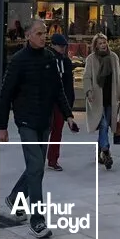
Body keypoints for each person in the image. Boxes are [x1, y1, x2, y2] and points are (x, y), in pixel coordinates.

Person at [0, 19, 78, 239]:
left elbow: (58, 90)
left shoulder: (50, 58)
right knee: (35, 167)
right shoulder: (18, 61)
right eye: (40, 33)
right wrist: (1, 127)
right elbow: (5, 95)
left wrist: (69, 116)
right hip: (26, 122)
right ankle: (37, 220)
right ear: (28, 36)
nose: (44, 37)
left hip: (45, 122)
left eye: (45, 33)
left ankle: (15, 197)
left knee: (36, 167)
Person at [83, 32, 120, 170]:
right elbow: (86, 77)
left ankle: (98, 153)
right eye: (100, 43)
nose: (103, 45)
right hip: (96, 99)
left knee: (105, 127)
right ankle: (106, 152)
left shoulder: (113, 57)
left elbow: (118, 77)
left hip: (110, 98)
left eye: (104, 42)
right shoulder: (91, 59)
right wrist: (88, 91)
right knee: (103, 124)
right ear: (96, 45)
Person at [46, 33, 75, 171]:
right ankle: (44, 158)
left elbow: (69, 84)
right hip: (47, 101)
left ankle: (53, 159)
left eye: (64, 46)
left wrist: (69, 104)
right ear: (53, 45)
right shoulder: (46, 59)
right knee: (46, 130)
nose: (62, 49)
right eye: (60, 46)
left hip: (59, 101)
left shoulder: (66, 62)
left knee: (56, 130)